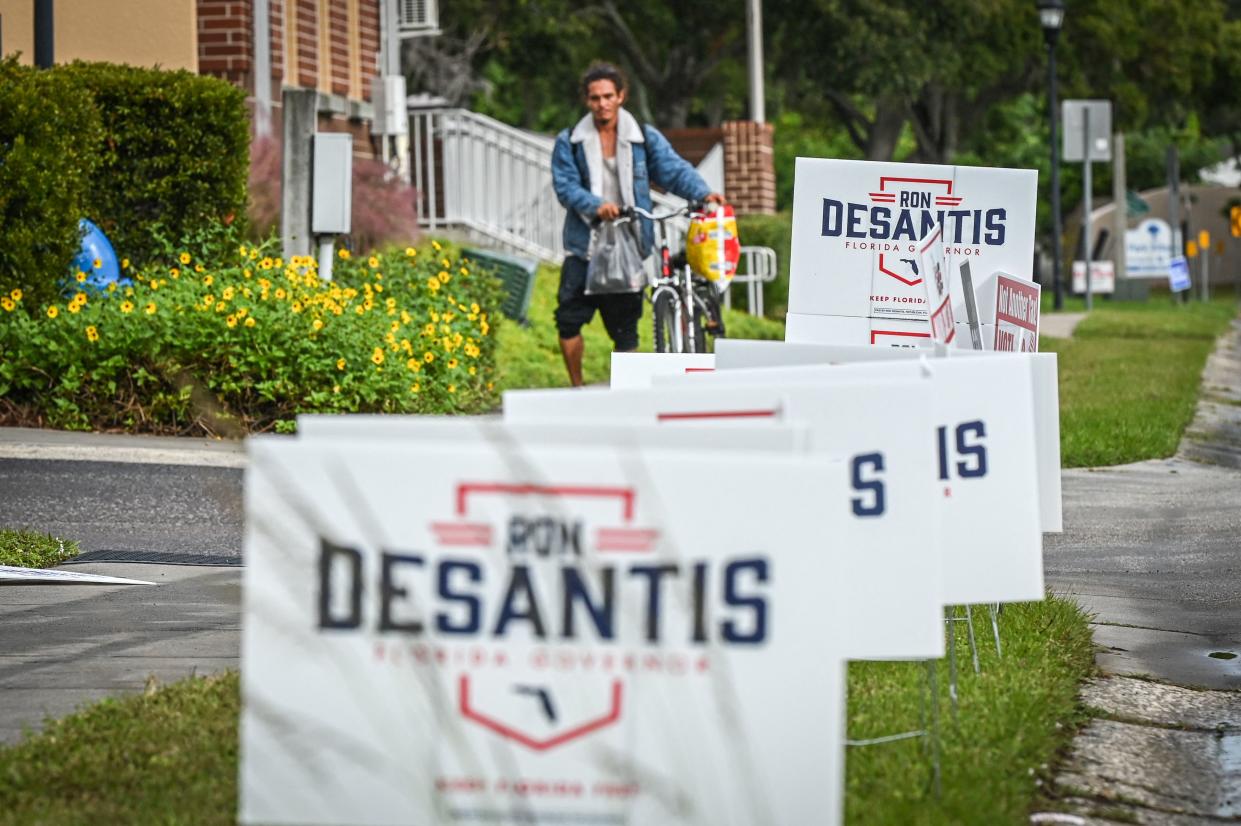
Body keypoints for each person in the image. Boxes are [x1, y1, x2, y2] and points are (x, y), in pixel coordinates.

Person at [550, 62, 724, 386]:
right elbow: (566, 187)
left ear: (621, 96)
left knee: (625, 327)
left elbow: (672, 169)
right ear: (586, 101)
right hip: (585, 243)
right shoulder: (570, 142)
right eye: (594, 98)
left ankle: (626, 393)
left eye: (607, 96)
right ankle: (576, 387)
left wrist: (703, 193)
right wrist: (596, 206)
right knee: (568, 319)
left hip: (629, 241)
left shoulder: (642, 137)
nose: (601, 103)